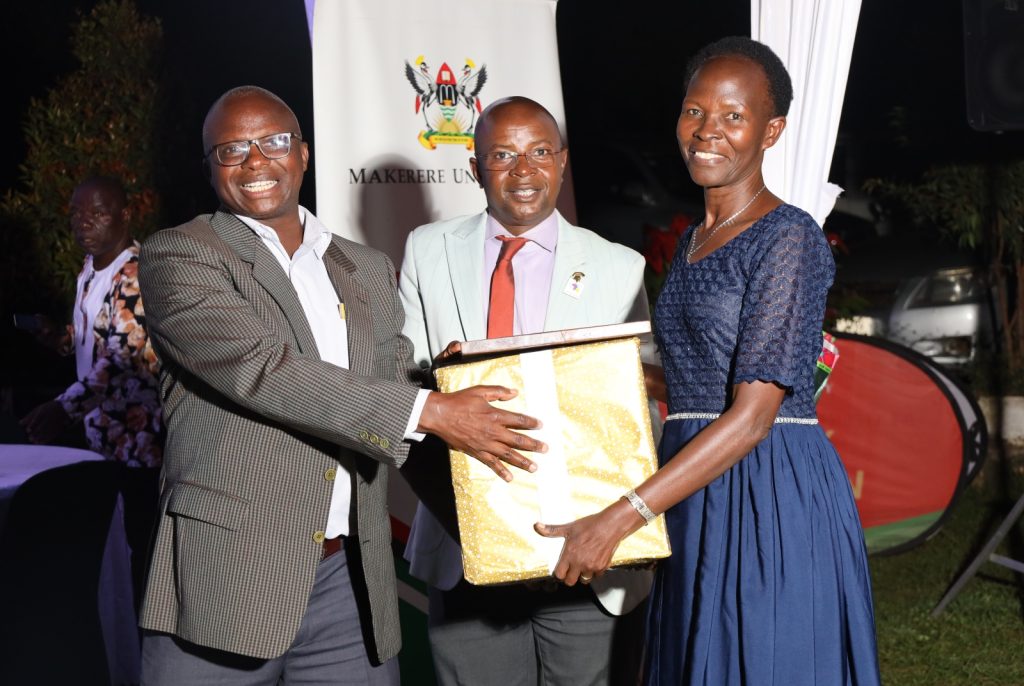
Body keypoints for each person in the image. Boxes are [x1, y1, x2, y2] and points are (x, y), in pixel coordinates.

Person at [137, 85, 546, 686]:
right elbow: (264, 370)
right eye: (232, 150)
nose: (255, 162)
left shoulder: (365, 267)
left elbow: (393, 389)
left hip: (346, 580)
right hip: (226, 576)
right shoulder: (181, 256)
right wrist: (432, 406)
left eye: (274, 141)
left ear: (303, 153)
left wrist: (461, 383)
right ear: (210, 169)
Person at [533, 38, 882, 685]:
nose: (707, 132)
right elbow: (701, 375)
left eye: (732, 116)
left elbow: (752, 416)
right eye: (695, 112)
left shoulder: (788, 237)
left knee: (759, 658)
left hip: (768, 490)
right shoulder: (693, 238)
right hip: (692, 483)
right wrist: (563, 374)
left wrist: (620, 516)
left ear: (771, 130)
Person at [398, 96, 653, 686]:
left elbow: (632, 408)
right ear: (474, 169)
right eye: (503, 156)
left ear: (562, 162)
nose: (523, 171)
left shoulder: (621, 268)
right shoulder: (427, 250)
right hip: (464, 539)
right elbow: (406, 386)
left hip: (586, 554)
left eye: (540, 153)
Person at [20, 175, 163, 604]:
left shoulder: (136, 276)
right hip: (104, 439)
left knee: (140, 558)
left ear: (124, 215)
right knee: (114, 554)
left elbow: (122, 359)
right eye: (77, 213)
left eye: (97, 213)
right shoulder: (94, 268)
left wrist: (62, 409)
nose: (84, 223)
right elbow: (101, 339)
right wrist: (65, 340)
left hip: (139, 448)